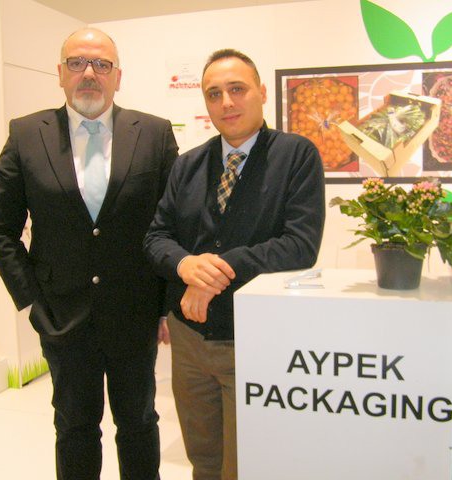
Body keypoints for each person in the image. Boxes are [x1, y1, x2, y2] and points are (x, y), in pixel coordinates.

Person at [0, 28, 178, 480]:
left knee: (139, 423)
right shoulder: (26, 134)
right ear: (60, 73)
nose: (89, 73)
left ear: (118, 76)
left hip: (135, 313)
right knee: (74, 429)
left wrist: (165, 305)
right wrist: (30, 301)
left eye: (101, 64)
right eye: (77, 62)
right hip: (62, 316)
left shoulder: (154, 133)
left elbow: (172, 225)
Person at [143, 49, 325, 479]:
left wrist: (215, 271)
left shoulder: (297, 156)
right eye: (214, 93)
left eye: (237, 89)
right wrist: (186, 266)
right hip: (190, 341)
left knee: (245, 464)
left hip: (255, 338)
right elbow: (156, 237)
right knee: (203, 460)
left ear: (261, 92)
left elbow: (300, 246)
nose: (226, 102)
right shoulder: (188, 164)